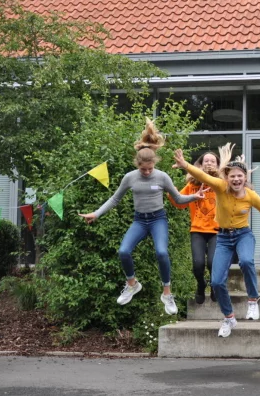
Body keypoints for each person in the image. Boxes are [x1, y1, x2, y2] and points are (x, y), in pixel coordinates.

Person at [79, 118, 205, 315]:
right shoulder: (130, 177)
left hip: (158, 219)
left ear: (154, 163)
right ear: (137, 164)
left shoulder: (162, 177)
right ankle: (132, 284)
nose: (146, 172)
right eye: (142, 169)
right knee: (123, 251)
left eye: (149, 168)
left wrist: (194, 197)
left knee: (161, 253)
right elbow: (114, 199)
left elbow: (178, 199)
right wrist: (96, 213)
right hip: (140, 220)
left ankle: (167, 293)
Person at [172, 144, 260, 338]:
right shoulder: (220, 187)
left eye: (240, 176)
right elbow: (203, 175)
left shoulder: (251, 196)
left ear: (245, 178)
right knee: (216, 282)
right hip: (222, 238)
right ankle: (229, 317)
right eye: (232, 176)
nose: (236, 179)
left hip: (243, 235)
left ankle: (253, 300)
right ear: (227, 178)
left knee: (246, 261)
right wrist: (185, 165)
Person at [167, 151, 220, 304]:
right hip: (197, 230)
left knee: (212, 263)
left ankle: (214, 286)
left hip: (217, 231)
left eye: (212, 161)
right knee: (198, 264)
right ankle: (201, 284)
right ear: (200, 165)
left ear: (218, 165)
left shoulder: (220, 184)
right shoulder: (192, 185)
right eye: (206, 161)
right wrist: (171, 192)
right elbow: (180, 204)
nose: (209, 163)